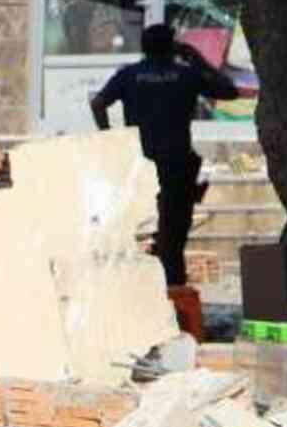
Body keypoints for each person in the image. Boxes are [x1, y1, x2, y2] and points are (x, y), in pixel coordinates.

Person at [91, 23, 240, 287]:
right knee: (174, 235)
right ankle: (172, 289)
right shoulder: (185, 75)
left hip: (141, 164)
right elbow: (230, 90)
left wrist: (110, 138)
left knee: (146, 232)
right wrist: (197, 59)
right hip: (177, 163)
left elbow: (98, 103)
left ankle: (152, 284)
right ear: (173, 46)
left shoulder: (130, 75)